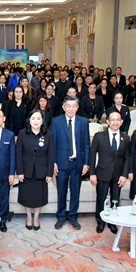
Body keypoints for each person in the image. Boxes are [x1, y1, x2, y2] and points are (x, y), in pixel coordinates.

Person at [52, 96, 90, 230]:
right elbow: (53, 144)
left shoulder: (83, 122)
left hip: (77, 163)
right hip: (61, 163)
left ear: (77, 108)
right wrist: (54, 162)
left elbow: (86, 144)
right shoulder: (56, 122)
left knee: (75, 191)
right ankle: (61, 216)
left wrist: (86, 163)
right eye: (68, 106)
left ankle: (73, 216)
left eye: (74, 106)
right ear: (63, 107)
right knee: (61, 191)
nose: (71, 109)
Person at [89, 111, 130, 234]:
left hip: (118, 175)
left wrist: (124, 175)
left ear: (121, 122)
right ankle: (100, 222)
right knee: (101, 198)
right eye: (112, 119)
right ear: (107, 121)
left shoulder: (125, 138)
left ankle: (112, 223)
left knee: (115, 199)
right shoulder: (99, 136)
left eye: (118, 120)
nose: (115, 122)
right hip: (102, 172)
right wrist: (92, 173)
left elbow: (128, 157)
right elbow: (92, 155)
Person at [16, 110, 54, 231]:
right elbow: (18, 154)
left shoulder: (48, 134)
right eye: (33, 118)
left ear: (42, 121)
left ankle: (36, 217)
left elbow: (51, 155)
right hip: (26, 171)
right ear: (29, 120)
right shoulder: (22, 133)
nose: (36, 121)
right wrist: (19, 172)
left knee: (39, 197)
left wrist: (49, 173)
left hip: (41, 171)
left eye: (38, 118)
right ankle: (28, 217)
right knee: (27, 196)